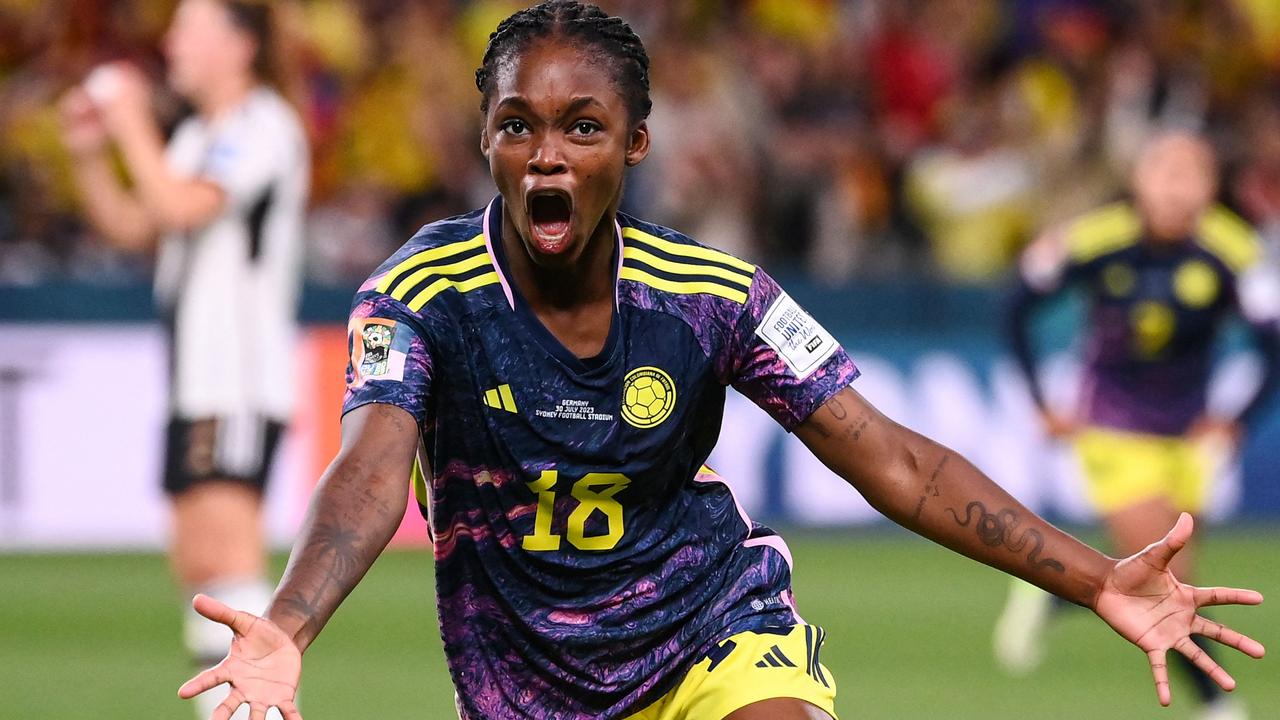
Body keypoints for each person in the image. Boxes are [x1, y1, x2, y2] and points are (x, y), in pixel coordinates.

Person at [179, 4, 1264, 719]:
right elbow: (370, 475)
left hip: (711, 630)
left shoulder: (711, 296)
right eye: (517, 126)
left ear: (635, 144)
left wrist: (1094, 580)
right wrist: (291, 621)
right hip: (523, 683)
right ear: (485, 140)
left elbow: (895, 463)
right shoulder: (420, 295)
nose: (546, 154)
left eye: (582, 126)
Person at [58, 2, 309, 719]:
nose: (170, 41)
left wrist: (129, 114)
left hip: (238, 378)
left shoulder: (262, 126)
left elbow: (178, 206)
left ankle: (258, 709)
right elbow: (136, 224)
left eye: (187, 27)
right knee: (199, 567)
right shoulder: (203, 133)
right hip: (198, 380)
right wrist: (86, 155)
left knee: (228, 563)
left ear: (239, 44)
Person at [996, 130, 1280, 720]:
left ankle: (1053, 599)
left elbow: (1274, 343)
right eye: (1165, 173)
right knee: (1167, 583)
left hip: (1186, 440)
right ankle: (1218, 708)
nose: (1178, 189)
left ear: (1210, 186)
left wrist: (1236, 422)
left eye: (1192, 174)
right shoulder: (1097, 239)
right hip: (1112, 431)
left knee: (1168, 576)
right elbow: (1017, 304)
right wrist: (1040, 401)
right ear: (1139, 181)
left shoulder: (1234, 251)